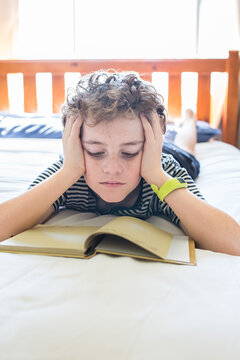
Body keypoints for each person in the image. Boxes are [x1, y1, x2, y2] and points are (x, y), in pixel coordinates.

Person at [0, 70, 239, 255]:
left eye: (129, 152)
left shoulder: (163, 170)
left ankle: (189, 119)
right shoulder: (69, 171)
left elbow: (233, 243)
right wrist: (69, 171)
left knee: (186, 147)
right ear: (74, 145)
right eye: (95, 151)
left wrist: (155, 173)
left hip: (168, 155)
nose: (112, 169)